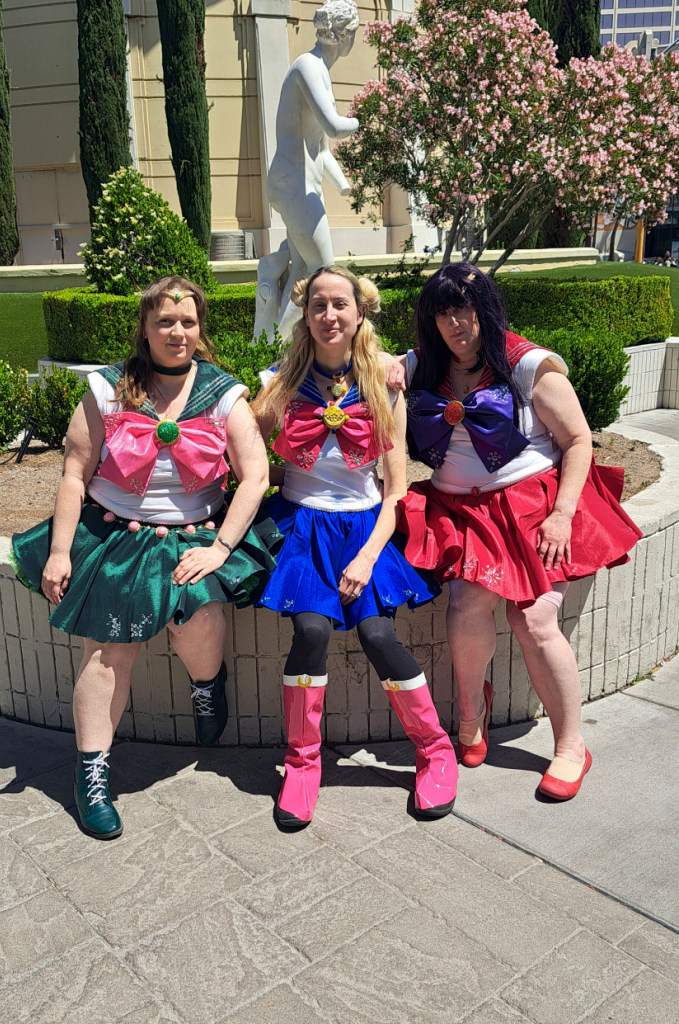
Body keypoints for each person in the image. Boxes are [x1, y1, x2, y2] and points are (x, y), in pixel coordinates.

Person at [11, 277, 281, 839]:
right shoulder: (108, 389)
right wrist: (60, 551)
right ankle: (91, 777)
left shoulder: (223, 393)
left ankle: (207, 686)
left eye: (187, 322)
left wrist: (220, 548)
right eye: (164, 321)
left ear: (200, 328)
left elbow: (255, 476)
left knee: (200, 622)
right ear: (145, 328)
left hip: (194, 537)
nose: (176, 332)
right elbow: (74, 473)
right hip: (116, 537)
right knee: (107, 654)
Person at [390, 264, 642, 801]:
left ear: (486, 311)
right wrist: (385, 365)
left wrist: (563, 513)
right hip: (460, 511)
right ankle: (469, 709)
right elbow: (359, 366)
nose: (455, 322)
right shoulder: (423, 365)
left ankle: (571, 744)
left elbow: (577, 441)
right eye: (443, 312)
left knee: (533, 618)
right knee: (465, 603)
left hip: (532, 507)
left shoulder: (529, 364)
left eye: (465, 309)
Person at [253, 266, 457, 828]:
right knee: (312, 630)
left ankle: (435, 750)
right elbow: (244, 454)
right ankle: (301, 762)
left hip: (367, 529)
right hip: (303, 528)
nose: (328, 316)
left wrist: (367, 557)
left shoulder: (384, 385)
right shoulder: (280, 382)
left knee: (377, 633)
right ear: (306, 313)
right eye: (318, 305)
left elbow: (395, 491)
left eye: (339, 304)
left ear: (359, 312)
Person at [264, 0, 360, 340]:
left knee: (304, 269)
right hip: (293, 185)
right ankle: (273, 348)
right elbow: (333, 128)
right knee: (323, 272)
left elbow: (321, 148)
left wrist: (344, 186)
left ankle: (274, 344)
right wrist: (362, 118)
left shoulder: (320, 70)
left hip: (301, 185)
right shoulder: (307, 66)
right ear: (344, 35)